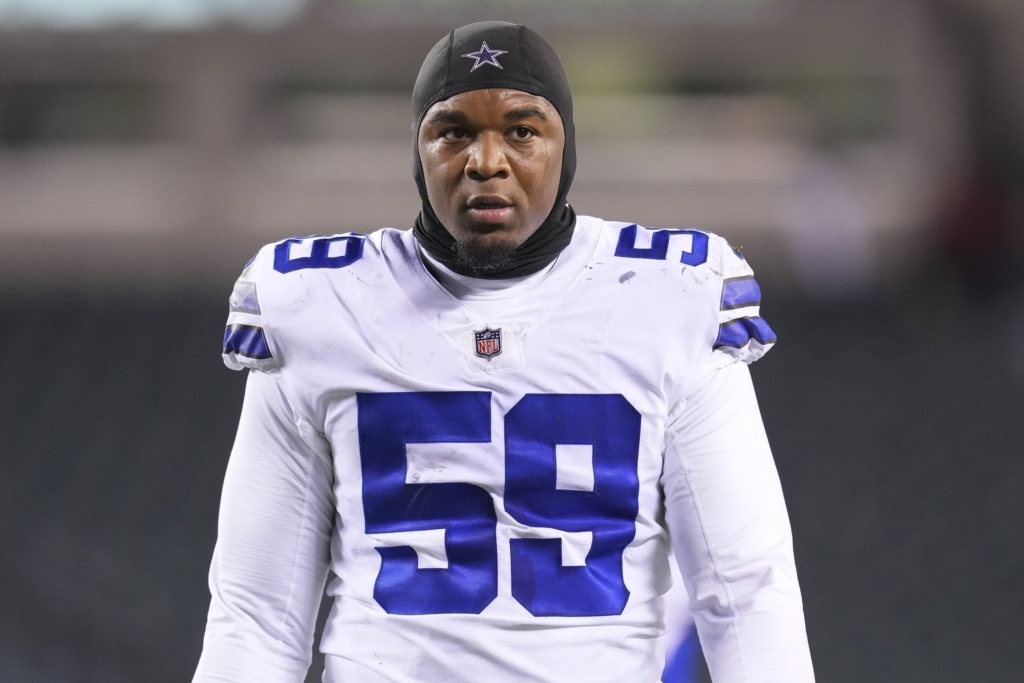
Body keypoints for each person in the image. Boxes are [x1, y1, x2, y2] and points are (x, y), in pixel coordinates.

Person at [194, 21, 815, 683]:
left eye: (521, 130)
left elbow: (746, 591)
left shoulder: (674, 297)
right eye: (453, 131)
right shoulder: (316, 306)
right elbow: (256, 614)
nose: (486, 160)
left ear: (565, 148)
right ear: (418, 150)